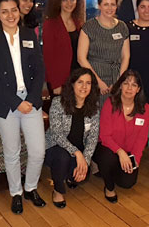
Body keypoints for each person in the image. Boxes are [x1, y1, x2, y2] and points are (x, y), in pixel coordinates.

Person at [0, 0, 46, 214]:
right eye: (4, 11)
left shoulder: (30, 34)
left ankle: (30, 188)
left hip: (30, 101)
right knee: (12, 151)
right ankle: (16, 193)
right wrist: (16, 102)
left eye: (13, 10)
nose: (10, 15)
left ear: (19, 12)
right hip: (4, 104)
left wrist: (29, 100)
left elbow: (40, 71)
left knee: (38, 151)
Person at [44, 68, 100, 208]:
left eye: (88, 83)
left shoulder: (94, 107)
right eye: (80, 82)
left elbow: (93, 137)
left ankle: (68, 176)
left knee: (81, 178)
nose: (84, 87)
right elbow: (57, 135)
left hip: (78, 151)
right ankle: (58, 191)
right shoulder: (58, 103)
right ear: (72, 84)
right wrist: (77, 153)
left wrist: (85, 161)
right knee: (63, 158)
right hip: (55, 148)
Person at [93, 70, 149, 202]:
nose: (129, 88)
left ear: (138, 89)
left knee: (127, 183)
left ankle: (107, 170)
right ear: (120, 86)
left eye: (134, 85)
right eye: (126, 83)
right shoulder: (110, 104)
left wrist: (135, 158)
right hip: (108, 148)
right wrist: (120, 152)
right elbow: (105, 135)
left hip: (129, 152)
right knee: (108, 159)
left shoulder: (145, 108)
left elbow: (142, 138)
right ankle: (109, 187)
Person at [78, 0, 130, 107]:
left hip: (117, 79)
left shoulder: (122, 27)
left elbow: (126, 57)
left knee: (114, 117)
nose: (109, 8)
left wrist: (118, 81)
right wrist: (98, 82)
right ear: (99, 5)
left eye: (113, 4)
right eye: (106, 4)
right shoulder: (89, 27)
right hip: (94, 79)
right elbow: (81, 58)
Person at [43, 0, 85, 96]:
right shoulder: (50, 24)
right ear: (58, 1)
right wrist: (55, 84)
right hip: (59, 80)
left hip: (77, 77)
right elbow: (48, 57)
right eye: (64, 0)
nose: (69, 3)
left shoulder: (78, 22)